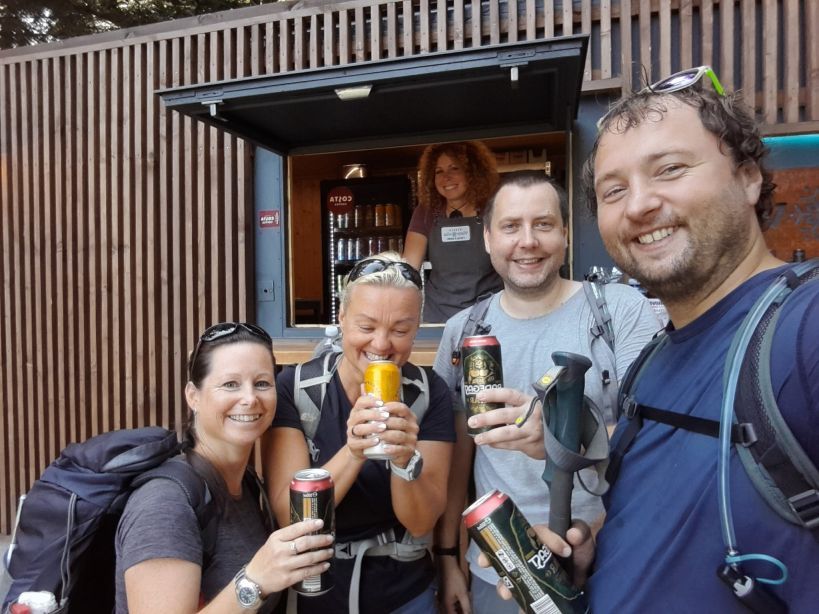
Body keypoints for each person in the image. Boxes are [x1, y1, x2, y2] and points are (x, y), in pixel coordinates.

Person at [489, 67, 819, 611]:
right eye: (614, 190)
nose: (639, 204)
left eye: (670, 170)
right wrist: (598, 555)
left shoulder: (801, 328)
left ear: (748, 177)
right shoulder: (654, 360)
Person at [432, 171, 661, 614]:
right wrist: (448, 557)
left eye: (543, 224)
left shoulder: (619, 311)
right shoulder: (463, 332)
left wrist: (560, 440)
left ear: (565, 234)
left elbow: (654, 437)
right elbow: (458, 459)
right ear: (488, 239)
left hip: (611, 557)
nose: (528, 241)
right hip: (500, 569)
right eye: (511, 226)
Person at [264, 252, 455, 613]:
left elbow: (421, 522)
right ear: (342, 319)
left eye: (400, 330)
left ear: (416, 329)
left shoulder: (429, 394)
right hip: (318, 588)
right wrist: (354, 452)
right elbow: (290, 517)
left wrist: (404, 460)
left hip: (404, 591)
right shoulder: (298, 388)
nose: (381, 345)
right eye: (366, 327)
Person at [116, 322, 334, 613]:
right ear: (193, 396)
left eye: (262, 383)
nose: (250, 398)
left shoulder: (246, 484)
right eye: (230, 384)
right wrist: (255, 581)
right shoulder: (165, 504)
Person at [403, 141, 502, 323]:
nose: (446, 177)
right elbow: (409, 269)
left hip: (489, 314)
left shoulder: (493, 209)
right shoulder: (426, 212)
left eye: (454, 168)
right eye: (439, 171)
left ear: (472, 172)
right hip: (439, 317)